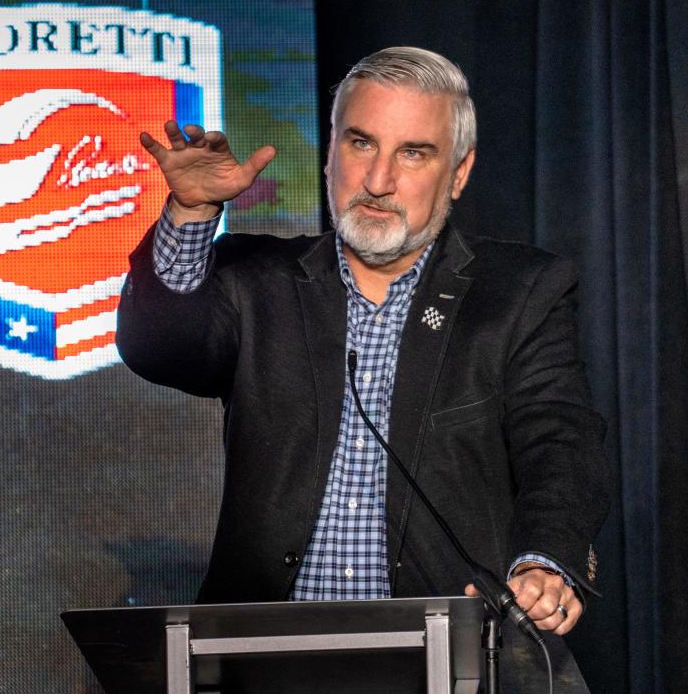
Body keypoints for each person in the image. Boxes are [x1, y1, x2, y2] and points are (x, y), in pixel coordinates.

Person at [116, 46, 609, 691]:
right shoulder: (258, 278)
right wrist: (189, 215)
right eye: (360, 143)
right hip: (264, 660)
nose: (378, 179)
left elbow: (561, 441)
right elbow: (158, 347)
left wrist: (546, 560)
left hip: (450, 660)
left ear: (458, 173)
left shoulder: (519, 291)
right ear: (328, 152)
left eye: (414, 153)